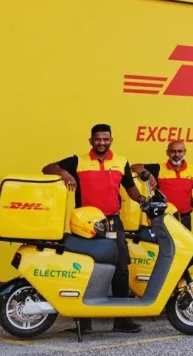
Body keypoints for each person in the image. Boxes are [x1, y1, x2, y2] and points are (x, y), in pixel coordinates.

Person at [41, 123, 144, 334]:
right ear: (91, 141)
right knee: (86, 267)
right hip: (85, 224)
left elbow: (130, 188)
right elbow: (47, 168)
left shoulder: (121, 161)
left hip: (112, 221)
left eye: (105, 139)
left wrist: (143, 199)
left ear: (111, 140)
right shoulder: (77, 161)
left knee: (121, 266)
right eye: (98, 139)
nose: (102, 143)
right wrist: (63, 173)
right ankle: (83, 323)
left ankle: (122, 320)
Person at [131, 141, 193, 230]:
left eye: (180, 151)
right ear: (167, 153)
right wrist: (149, 174)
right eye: (173, 151)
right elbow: (134, 166)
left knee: (185, 244)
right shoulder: (158, 168)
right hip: (163, 217)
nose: (177, 154)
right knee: (165, 244)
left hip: (185, 218)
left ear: (185, 152)